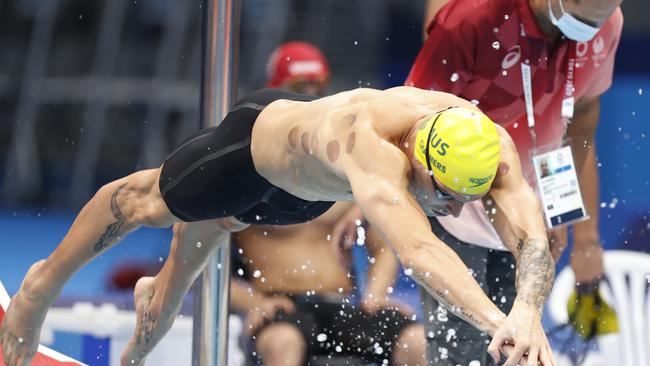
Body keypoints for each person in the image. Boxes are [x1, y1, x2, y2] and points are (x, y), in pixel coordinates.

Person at [0, 86, 556, 366]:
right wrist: (496, 322)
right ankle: (39, 287)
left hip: (305, 199)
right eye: (446, 195)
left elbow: (533, 241)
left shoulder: (490, 148)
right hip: (251, 160)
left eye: (467, 199)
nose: (456, 212)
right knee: (142, 203)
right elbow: (419, 251)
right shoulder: (374, 144)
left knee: (163, 309)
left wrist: (527, 313)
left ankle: (147, 318)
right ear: (418, 151)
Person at [406, 0, 622, 364]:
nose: (590, 28)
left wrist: (559, 211)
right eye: (581, 16)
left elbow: (579, 116)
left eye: (597, 20)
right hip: (450, 204)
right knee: (460, 353)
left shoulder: (606, 23)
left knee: (520, 350)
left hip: (525, 208)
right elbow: (410, 123)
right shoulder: (470, 21)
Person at [230, 202, 426, 366]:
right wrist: (254, 303)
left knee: (417, 341)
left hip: (344, 304)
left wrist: (376, 294)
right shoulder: (249, 190)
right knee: (282, 342)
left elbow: (384, 246)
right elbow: (209, 266)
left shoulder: (337, 180)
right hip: (283, 305)